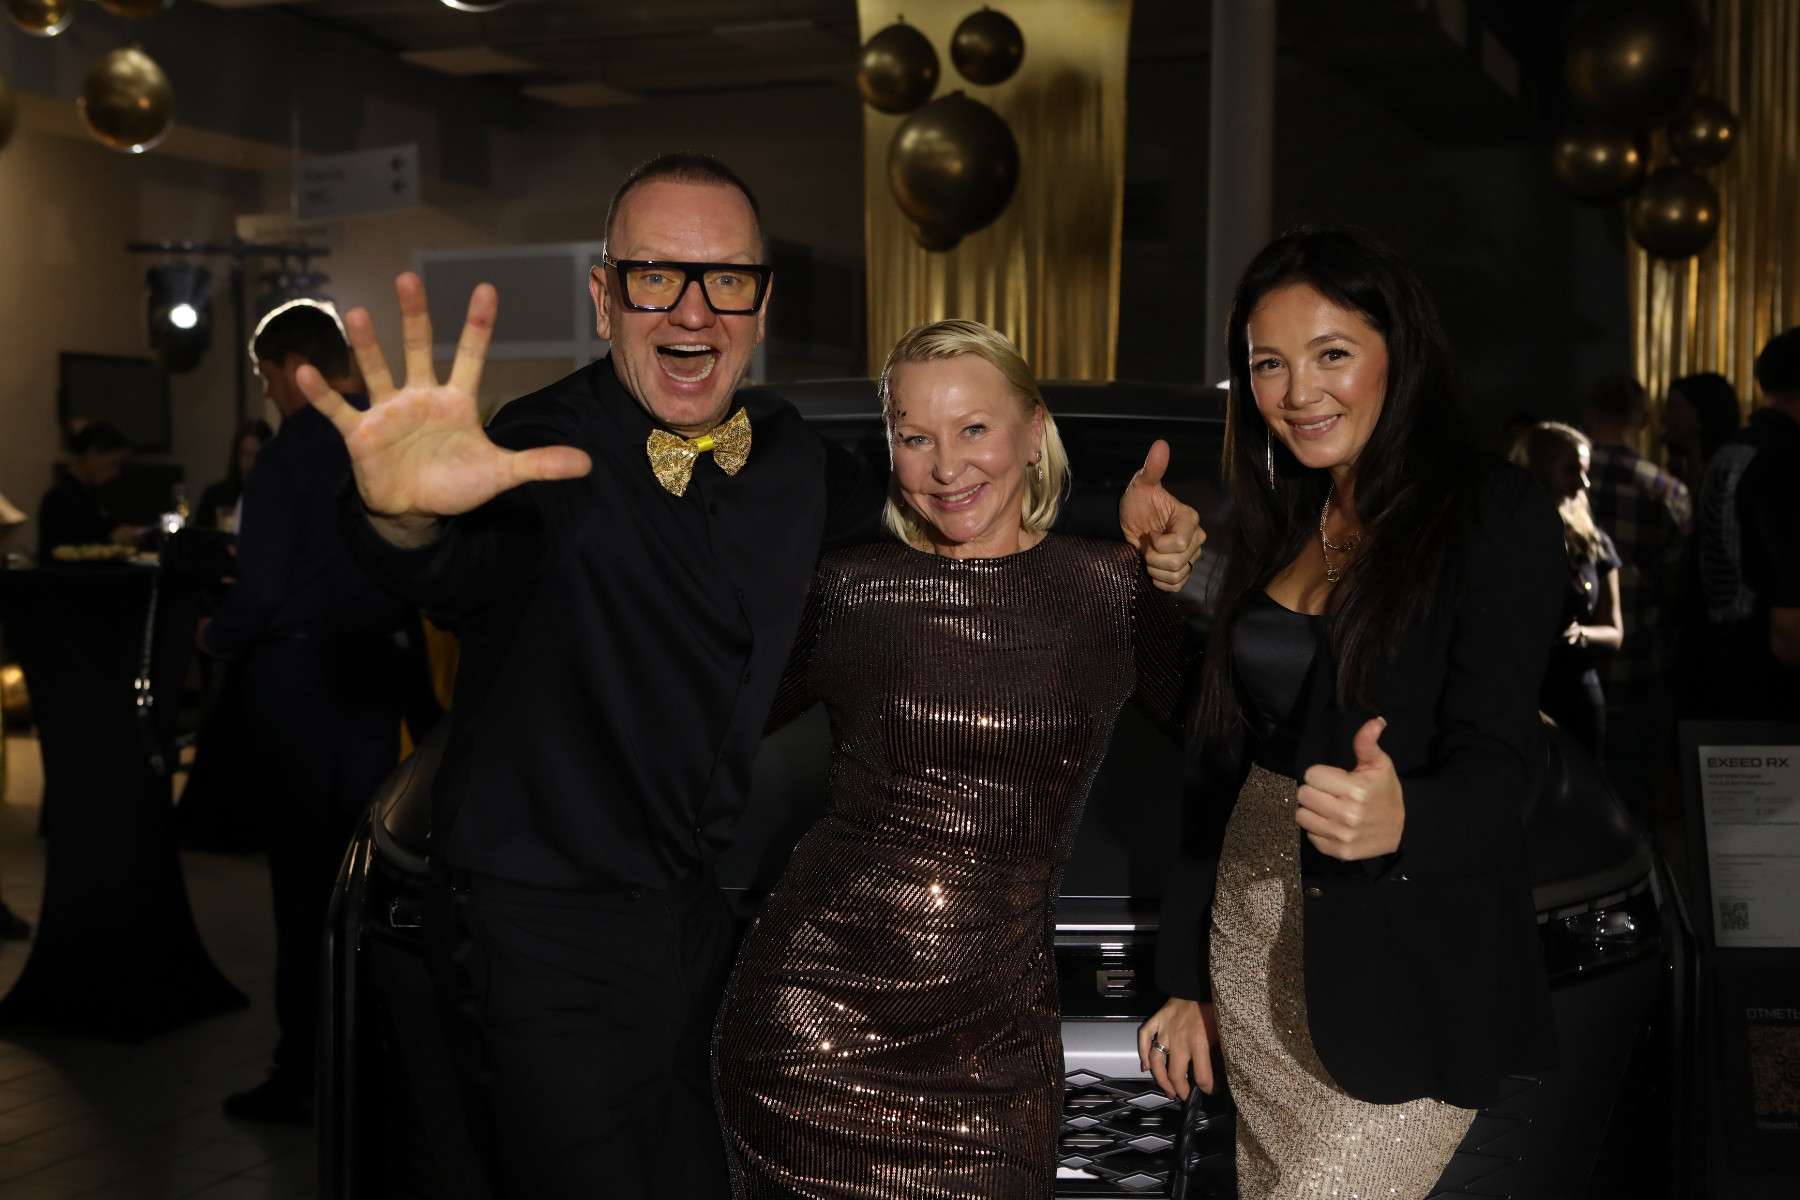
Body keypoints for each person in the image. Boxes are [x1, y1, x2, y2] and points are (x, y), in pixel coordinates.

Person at [304, 153, 1204, 1199]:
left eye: (725, 278)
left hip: (698, 926)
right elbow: (457, 565)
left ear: (759, 303)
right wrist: (402, 515)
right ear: (604, 296)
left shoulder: (788, 454)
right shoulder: (540, 454)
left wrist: (1124, 531)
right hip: (545, 936)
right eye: (656, 276)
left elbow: (952, 505)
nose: (693, 310)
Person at [713, 320, 1194, 1197]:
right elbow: (694, 724)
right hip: (811, 1032)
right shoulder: (849, 590)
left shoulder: (1111, 593)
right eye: (916, 437)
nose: (946, 468)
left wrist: (1197, 976)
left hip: (995, 1058)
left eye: (974, 428)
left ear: (1033, 431)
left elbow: (1240, 751)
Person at [1138, 228, 1565, 1200]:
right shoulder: (1280, 515)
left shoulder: (1492, 512)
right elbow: (1214, 750)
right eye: (1268, 365)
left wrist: (1410, 815)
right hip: (1251, 938)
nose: (1299, 393)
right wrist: (1188, 975)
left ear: (1398, 352)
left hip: (1401, 963)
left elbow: (1507, 755)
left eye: (1331, 354)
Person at [198, 300, 408, 1123]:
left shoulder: (288, 456)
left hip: (297, 681)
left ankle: (303, 1072)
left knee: (301, 883)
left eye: (264, 375)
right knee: (368, 876)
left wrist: (216, 637)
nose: (266, 391)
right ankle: (373, 1062)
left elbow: (259, 589)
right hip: (375, 674)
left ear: (292, 367)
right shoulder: (384, 435)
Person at [1580, 375, 1688, 818]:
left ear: (1588, 417)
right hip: (1639, 658)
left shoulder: (1557, 481)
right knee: (1632, 798)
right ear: (1642, 420)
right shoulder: (1667, 490)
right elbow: (1675, 586)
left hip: (1569, 663)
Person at [1697, 328, 1800, 717]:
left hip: (1723, 660)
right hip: (1774, 683)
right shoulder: (1788, 458)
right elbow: (1791, 610)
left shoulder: (1734, 447)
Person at [1512, 422, 1623, 757]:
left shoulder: (1593, 542)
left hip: (1577, 688)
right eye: (1572, 470)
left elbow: (1615, 633)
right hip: (1523, 690)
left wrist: (1582, 635)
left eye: (1586, 471)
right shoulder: (1511, 539)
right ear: (1539, 469)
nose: (1584, 483)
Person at [37, 421, 141, 559]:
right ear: (92, 453)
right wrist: (111, 540)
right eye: (114, 464)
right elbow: (60, 550)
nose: (116, 473)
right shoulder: (59, 498)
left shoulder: (94, 495)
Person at [1663, 371, 1741, 487]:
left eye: (1672, 407)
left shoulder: (1728, 479)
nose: (1663, 417)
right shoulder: (1678, 471)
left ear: (1701, 414)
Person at [198, 419, 273, 532]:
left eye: (257, 455)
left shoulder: (275, 500)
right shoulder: (215, 497)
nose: (251, 462)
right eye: (245, 454)